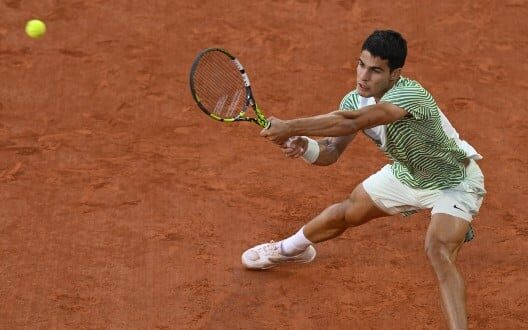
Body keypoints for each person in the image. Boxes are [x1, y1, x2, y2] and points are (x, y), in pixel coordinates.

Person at [241, 30, 486, 330]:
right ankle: (290, 249)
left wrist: (290, 125)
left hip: (453, 180)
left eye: (375, 70)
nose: (363, 76)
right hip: (407, 174)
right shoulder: (354, 100)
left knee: (437, 250)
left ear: (395, 74)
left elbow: (354, 121)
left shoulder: (410, 94)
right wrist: (303, 145)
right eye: (361, 65)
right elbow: (330, 152)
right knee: (348, 211)